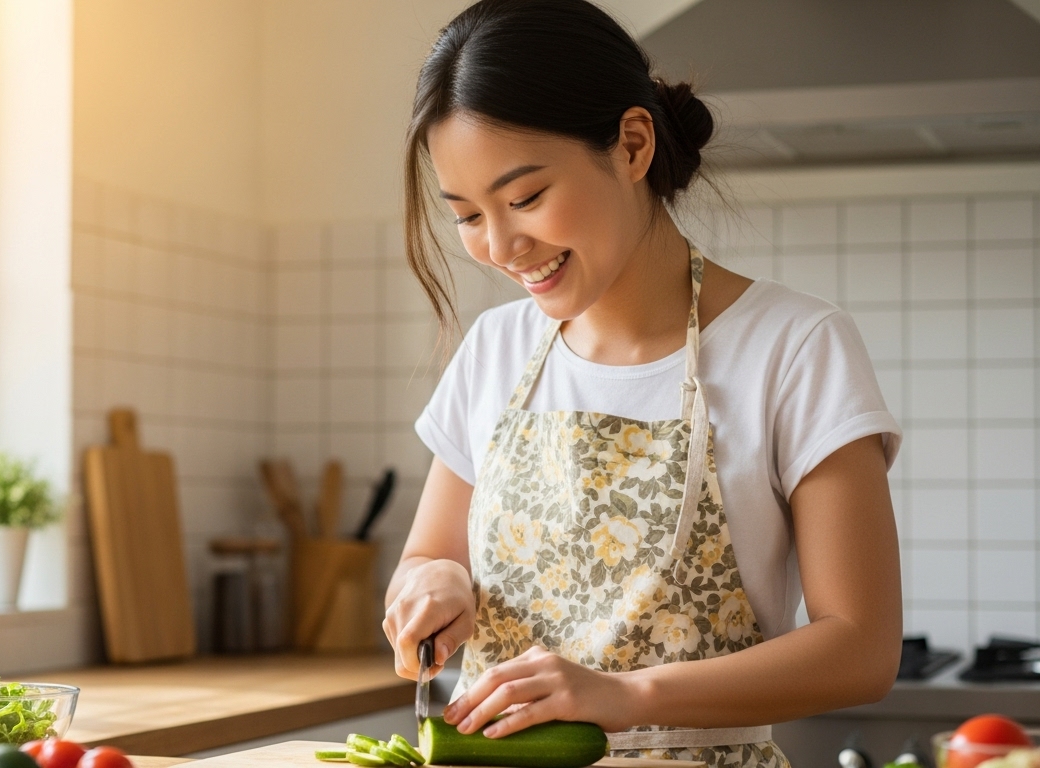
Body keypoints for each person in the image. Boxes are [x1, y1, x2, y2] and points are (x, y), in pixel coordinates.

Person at [381, 1, 903, 765]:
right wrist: (431, 589)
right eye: (466, 215)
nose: (499, 247)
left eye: (525, 198)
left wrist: (626, 698)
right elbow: (427, 556)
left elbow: (861, 648)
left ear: (632, 145)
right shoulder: (495, 350)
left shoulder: (795, 347)